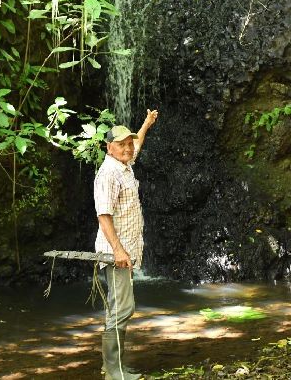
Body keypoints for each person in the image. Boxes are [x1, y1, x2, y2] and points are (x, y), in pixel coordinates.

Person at [94, 109, 158, 380]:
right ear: (109, 147)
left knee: (117, 308)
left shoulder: (124, 164)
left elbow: (137, 145)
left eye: (129, 143)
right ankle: (114, 372)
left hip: (126, 252)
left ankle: (113, 367)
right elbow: (103, 215)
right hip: (115, 253)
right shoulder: (108, 174)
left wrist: (146, 124)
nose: (128, 148)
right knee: (123, 309)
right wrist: (118, 251)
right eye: (121, 144)